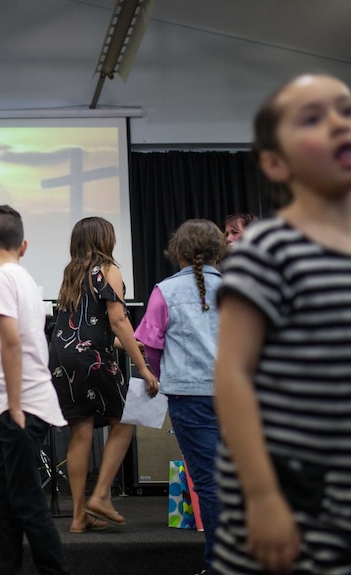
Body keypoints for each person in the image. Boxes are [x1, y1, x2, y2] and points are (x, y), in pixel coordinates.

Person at [213, 74, 351, 574]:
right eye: (313, 119)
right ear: (275, 162)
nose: (338, 124)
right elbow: (233, 376)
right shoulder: (269, 252)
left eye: (347, 111)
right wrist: (263, 497)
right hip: (291, 496)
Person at [49, 217, 158, 534]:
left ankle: (79, 516)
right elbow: (119, 321)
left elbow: (87, 327)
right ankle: (101, 496)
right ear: (105, 239)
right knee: (125, 419)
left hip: (62, 358)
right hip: (92, 359)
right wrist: (144, 367)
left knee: (81, 430)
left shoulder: (72, 274)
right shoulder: (108, 268)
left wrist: (126, 346)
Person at [0, 204, 70, 575]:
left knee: (28, 504)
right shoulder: (27, 280)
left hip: (21, 408)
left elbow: (11, 343)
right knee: (1, 508)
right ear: (25, 246)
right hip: (24, 406)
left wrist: (12, 406)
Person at [133, 219, 225, 574]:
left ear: (178, 251)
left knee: (208, 483)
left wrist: (155, 372)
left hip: (190, 397)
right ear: (219, 250)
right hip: (238, 397)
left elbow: (150, 345)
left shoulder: (165, 291)